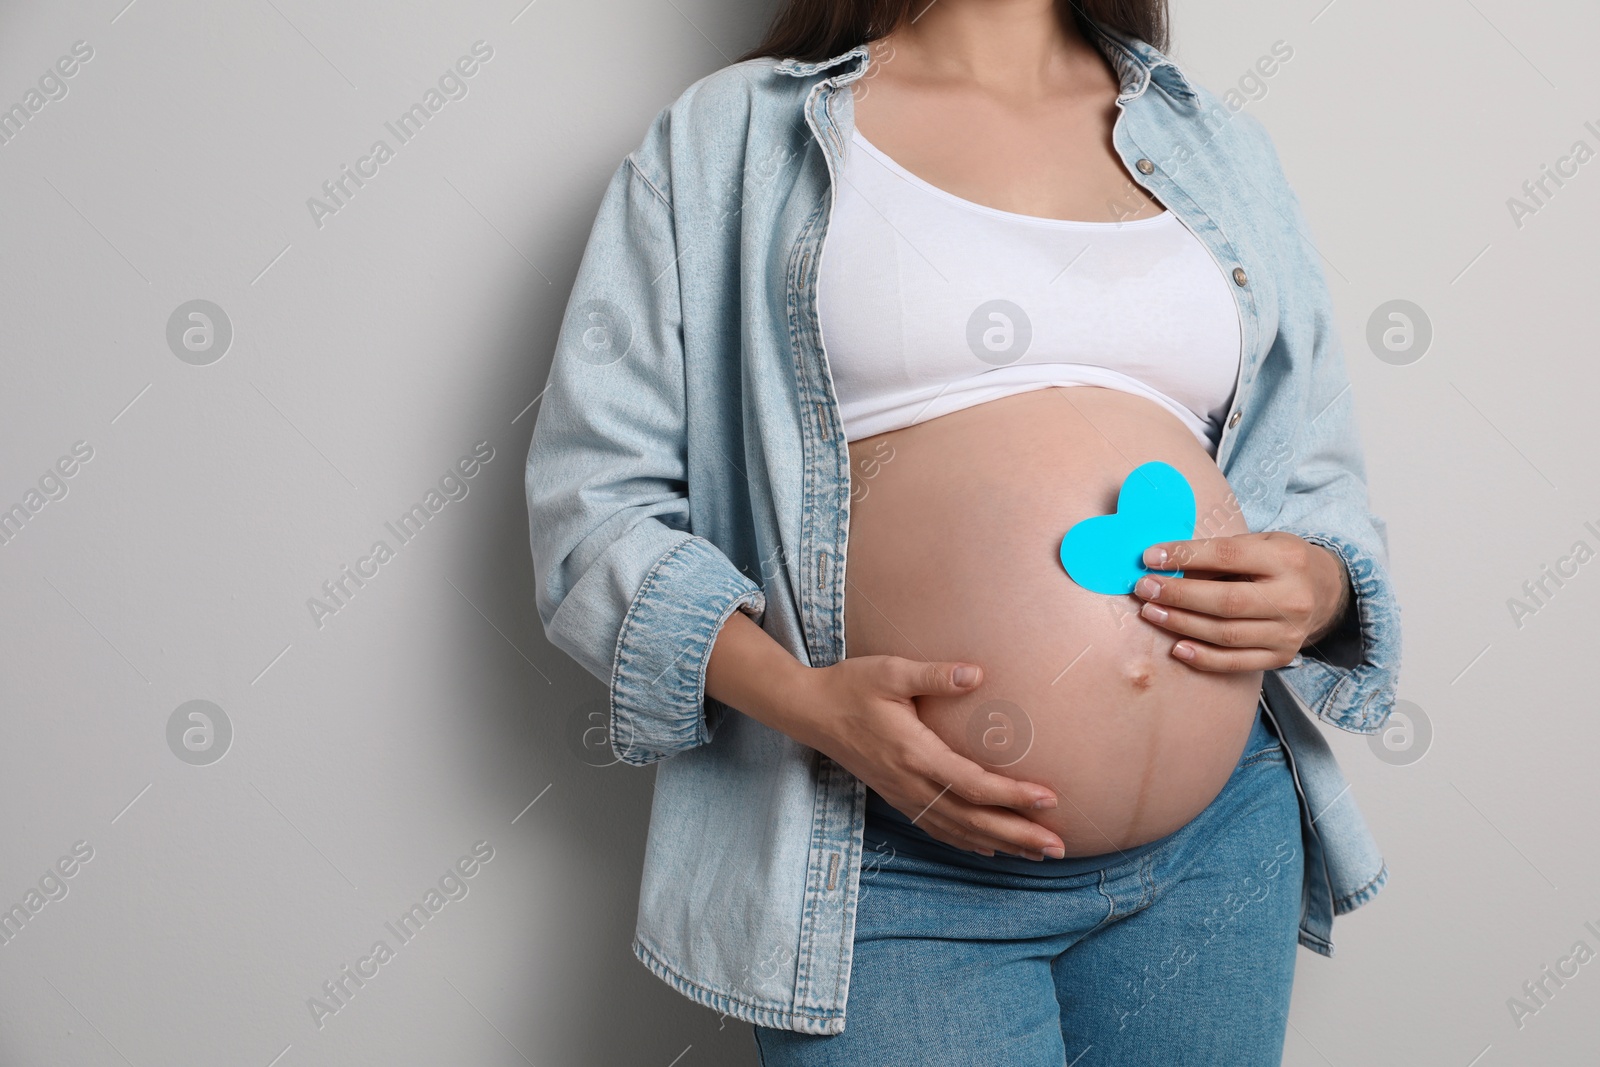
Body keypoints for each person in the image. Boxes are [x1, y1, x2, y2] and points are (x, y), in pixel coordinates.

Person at [525, 1, 1402, 1063]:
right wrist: (808, 703)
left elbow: (1314, 477)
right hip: (885, 862)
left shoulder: (1214, 148)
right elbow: (594, 502)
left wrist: (1315, 585)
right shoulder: (732, 140)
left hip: (1216, 847)